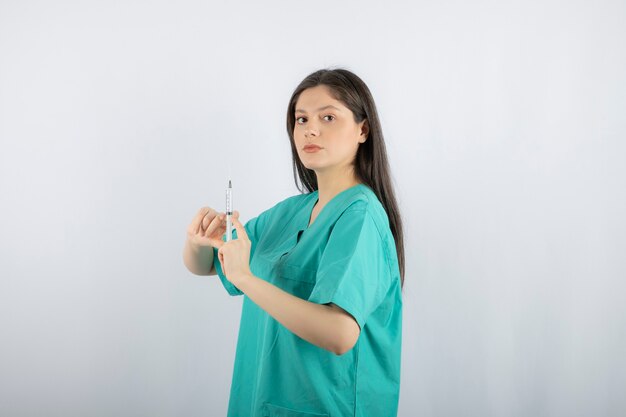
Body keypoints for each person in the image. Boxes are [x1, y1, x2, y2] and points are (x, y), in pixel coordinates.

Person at [182, 68, 405, 417]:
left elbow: (340, 334)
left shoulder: (360, 217)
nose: (310, 129)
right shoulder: (291, 212)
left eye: (327, 117)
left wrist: (246, 279)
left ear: (363, 130)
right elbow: (208, 265)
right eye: (301, 119)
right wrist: (199, 240)